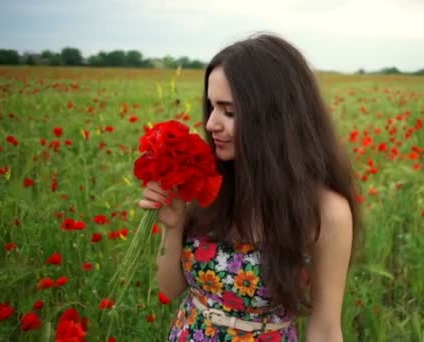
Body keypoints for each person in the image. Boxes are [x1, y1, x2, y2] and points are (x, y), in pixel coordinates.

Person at [138, 32, 361, 342]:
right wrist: (172, 227)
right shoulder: (212, 185)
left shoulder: (325, 211)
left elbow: (325, 328)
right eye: (212, 107)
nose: (211, 123)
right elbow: (169, 288)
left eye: (229, 111)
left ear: (274, 117)